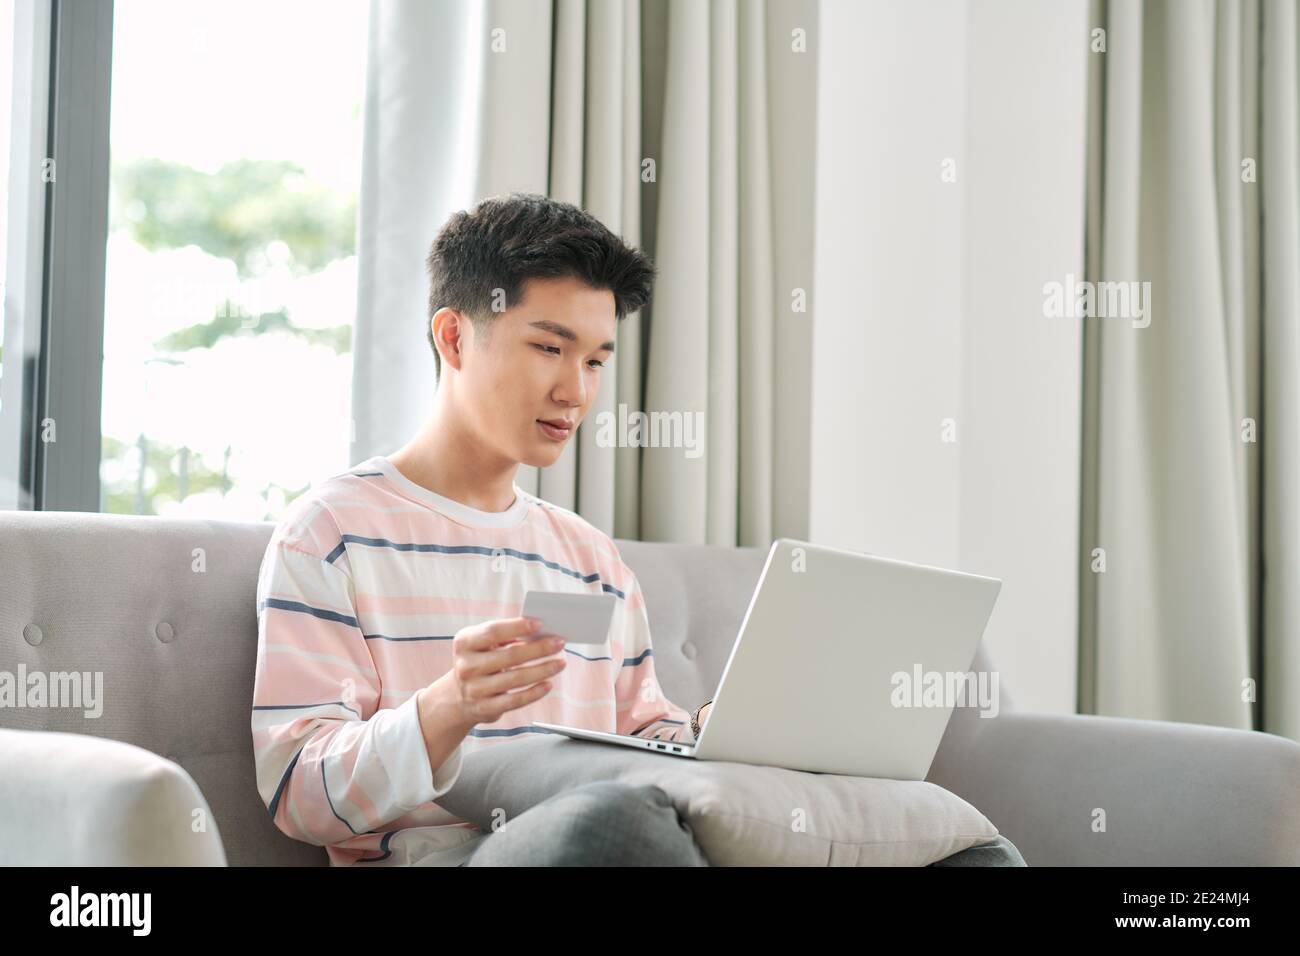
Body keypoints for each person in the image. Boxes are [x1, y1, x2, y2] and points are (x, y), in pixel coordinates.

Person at [251, 191, 1025, 868]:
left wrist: (718, 738)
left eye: (595, 361)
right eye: (549, 348)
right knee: (615, 829)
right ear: (453, 337)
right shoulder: (332, 532)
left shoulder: (588, 560)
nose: (575, 391)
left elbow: (643, 739)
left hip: (629, 827)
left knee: (964, 852)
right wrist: (445, 707)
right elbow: (300, 793)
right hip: (462, 855)